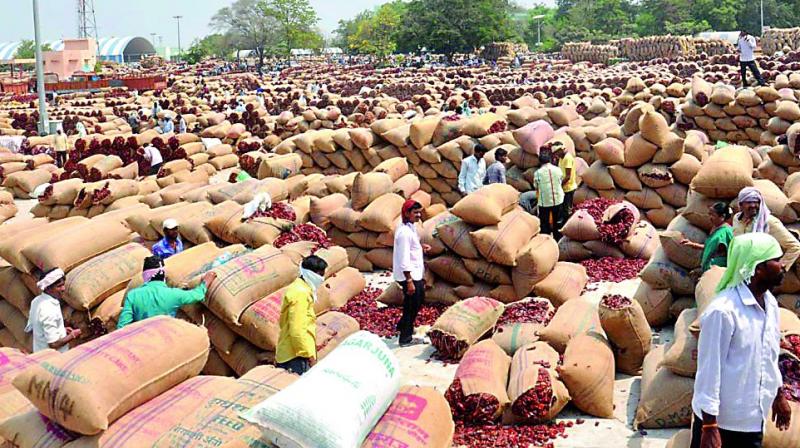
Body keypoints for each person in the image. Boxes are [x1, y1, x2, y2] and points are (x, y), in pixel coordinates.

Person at [691, 233, 792, 448]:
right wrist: (709, 426)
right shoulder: (724, 311)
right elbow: (709, 370)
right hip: (723, 424)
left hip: (753, 420)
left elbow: (769, 356)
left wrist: (778, 394)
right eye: (776, 260)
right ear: (758, 268)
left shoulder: (770, 304)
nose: (783, 266)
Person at [118, 256, 216, 329]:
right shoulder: (174, 294)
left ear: (144, 276)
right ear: (164, 275)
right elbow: (198, 295)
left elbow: (122, 326)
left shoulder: (133, 295)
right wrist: (206, 281)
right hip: (166, 343)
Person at [275, 255, 329, 375]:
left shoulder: (301, 287)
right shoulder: (301, 294)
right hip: (294, 357)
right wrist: (308, 356)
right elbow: (297, 330)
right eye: (320, 274)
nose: (322, 278)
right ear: (311, 274)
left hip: (293, 353)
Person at [733, 187, 800, 270]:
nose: (753, 205)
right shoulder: (736, 219)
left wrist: (780, 268)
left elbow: (795, 247)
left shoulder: (768, 222)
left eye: (756, 202)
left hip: (759, 273)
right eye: (749, 202)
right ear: (740, 204)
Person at [393, 200, 431, 346]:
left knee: (418, 300)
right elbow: (403, 258)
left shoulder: (410, 227)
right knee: (412, 305)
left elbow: (411, 247)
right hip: (408, 275)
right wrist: (409, 281)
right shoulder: (403, 233)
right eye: (415, 213)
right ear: (407, 213)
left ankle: (402, 326)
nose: (419, 215)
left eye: (419, 212)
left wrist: (420, 247)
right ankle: (405, 338)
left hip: (415, 273)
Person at [25, 269, 81, 353]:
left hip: (40, 352)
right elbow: (53, 344)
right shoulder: (49, 309)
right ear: (48, 288)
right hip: (53, 358)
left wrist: (61, 330)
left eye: (63, 285)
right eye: (59, 286)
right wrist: (73, 335)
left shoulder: (37, 301)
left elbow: (38, 327)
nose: (63, 289)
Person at [681, 202, 734, 274]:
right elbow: (710, 247)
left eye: (713, 215)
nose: (710, 217)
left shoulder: (726, 232)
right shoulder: (716, 229)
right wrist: (692, 244)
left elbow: (730, 251)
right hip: (709, 270)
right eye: (709, 214)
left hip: (718, 272)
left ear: (722, 216)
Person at [533, 152, 565, 240]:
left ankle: (546, 241)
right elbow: (561, 180)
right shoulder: (558, 170)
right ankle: (558, 240)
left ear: (540, 162)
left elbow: (536, 186)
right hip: (558, 199)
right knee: (558, 222)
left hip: (544, 202)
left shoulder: (538, 173)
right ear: (550, 160)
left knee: (545, 223)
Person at [553, 143, 578, 219]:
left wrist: (559, 185)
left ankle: (567, 225)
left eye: (556, 152)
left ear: (561, 150)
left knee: (567, 209)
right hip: (564, 187)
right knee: (563, 208)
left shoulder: (567, 158)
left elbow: (567, 176)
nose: (556, 155)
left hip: (568, 188)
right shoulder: (561, 158)